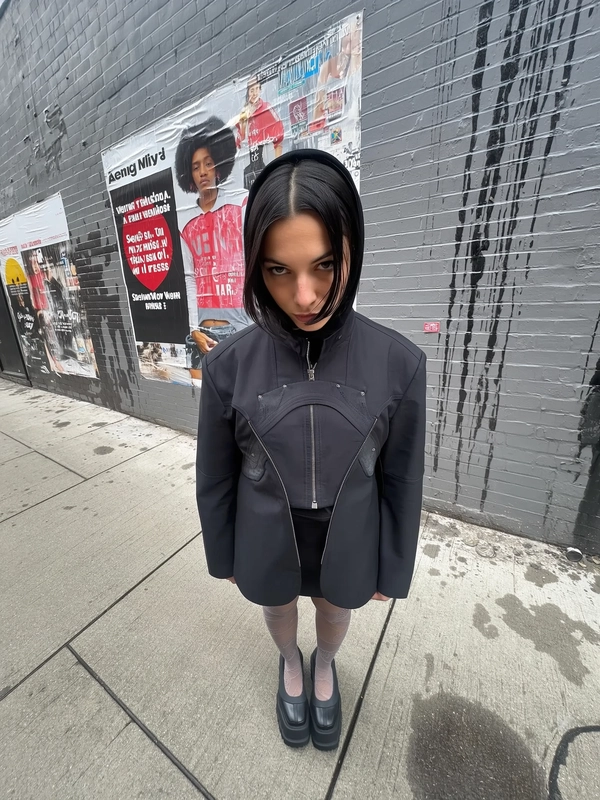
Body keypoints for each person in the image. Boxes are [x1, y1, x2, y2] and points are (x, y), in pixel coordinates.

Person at [196, 150, 426, 751]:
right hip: (266, 530)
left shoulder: (400, 363)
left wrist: (392, 566)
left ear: (353, 246)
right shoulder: (227, 367)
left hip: (348, 532)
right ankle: (289, 665)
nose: (304, 296)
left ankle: (323, 665)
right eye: (278, 270)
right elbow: (215, 477)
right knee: (277, 609)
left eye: (325, 265)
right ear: (255, 265)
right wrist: (224, 555)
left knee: (334, 609)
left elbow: (401, 479)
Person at [175, 117, 251, 380]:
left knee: (243, 403)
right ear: (189, 174)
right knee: (206, 407)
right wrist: (193, 328)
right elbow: (190, 279)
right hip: (202, 332)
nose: (203, 172)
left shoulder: (241, 204)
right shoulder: (185, 223)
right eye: (196, 167)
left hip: (241, 326)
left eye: (208, 163)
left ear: (219, 165)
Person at [236, 76, 285, 190]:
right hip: (252, 162)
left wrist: (278, 163)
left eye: (257, 89)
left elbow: (280, 133)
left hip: (266, 158)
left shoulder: (266, 108)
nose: (254, 93)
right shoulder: (244, 113)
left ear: (260, 90)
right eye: (252, 90)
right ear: (247, 92)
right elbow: (239, 141)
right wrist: (243, 123)